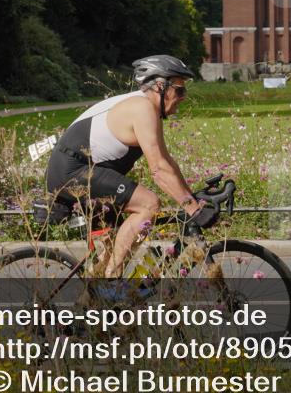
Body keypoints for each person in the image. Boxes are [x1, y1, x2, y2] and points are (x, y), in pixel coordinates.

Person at [44, 55, 207, 278]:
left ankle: (96, 297)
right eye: (179, 90)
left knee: (111, 249)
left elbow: (166, 161)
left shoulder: (148, 109)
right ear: (160, 86)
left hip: (83, 170)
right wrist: (191, 208)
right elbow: (158, 170)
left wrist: (192, 200)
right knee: (148, 204)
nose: (183, 97)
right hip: (72, 171)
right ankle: (111, 280)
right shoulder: (142, 109)